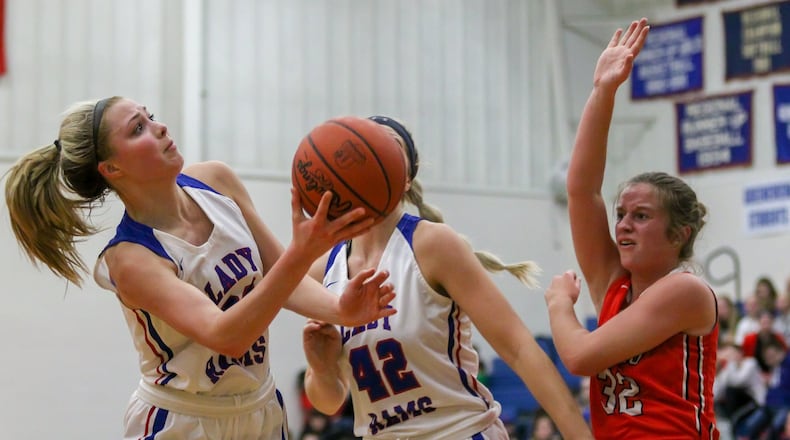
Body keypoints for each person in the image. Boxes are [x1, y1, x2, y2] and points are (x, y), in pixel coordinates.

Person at [4, 96, 399, 439]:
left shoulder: (216, 181)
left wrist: (340, 309)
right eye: (138, 128)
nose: (159, 128)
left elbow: (280, 273)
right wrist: (304, 251)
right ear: (112, 169)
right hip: (184, 421)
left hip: (260, 406)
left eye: (151, 116)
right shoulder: (130, 258)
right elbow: (226, 335)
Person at [301, 116, 592, 439]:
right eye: (367, 146)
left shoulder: (431, 244)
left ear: (407, 177)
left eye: (388, 147)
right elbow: (329, 403)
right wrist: (323, 369)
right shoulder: (323, 271)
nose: (376, 153)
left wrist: (579, 434)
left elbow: (520, 349)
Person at [542, 18, 720, 438]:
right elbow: (582, 191)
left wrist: (559, 305)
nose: (622, 225)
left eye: (641, 216)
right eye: (621, 214)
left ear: (680, 235)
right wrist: (603, 91)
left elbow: (580, 357)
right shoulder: (615, 287)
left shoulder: (686, 291)